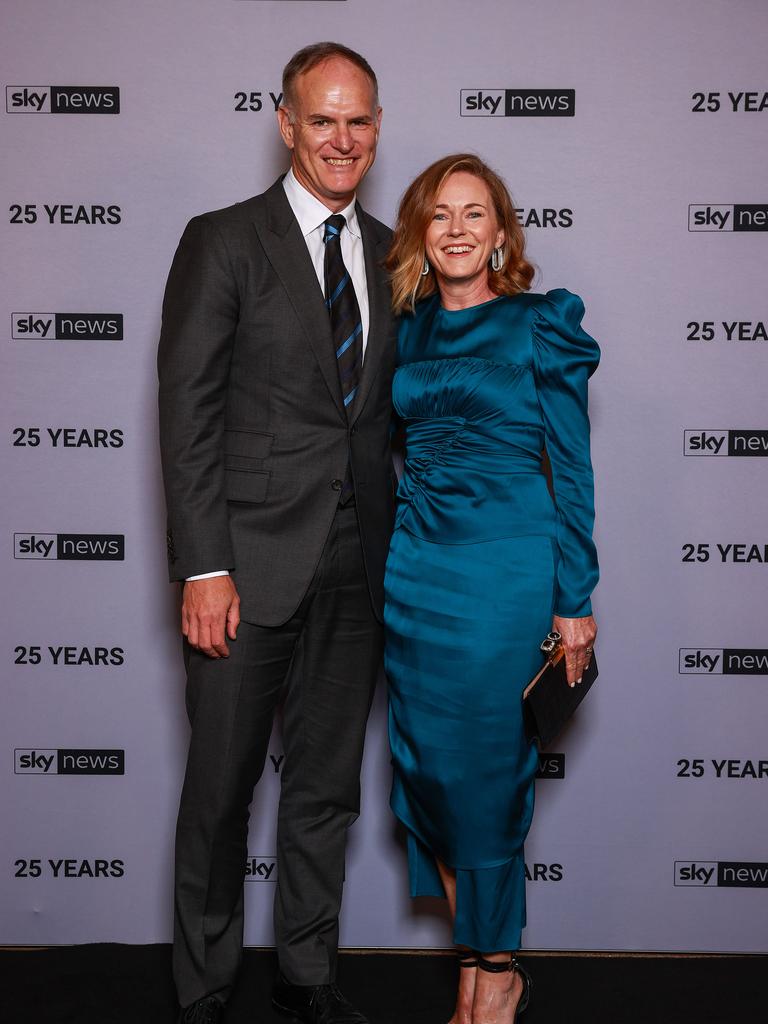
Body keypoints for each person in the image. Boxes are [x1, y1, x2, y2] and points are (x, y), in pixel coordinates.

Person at [157, 42, 396, 1024]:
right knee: (219, 791)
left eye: (361, 120)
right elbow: (188, 410)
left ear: (376, 127)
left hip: (357, 565)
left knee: (325, 792)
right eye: (324, 119)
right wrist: (204, 565)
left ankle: (307, 973)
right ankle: (206, 984)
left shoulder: (394, 249)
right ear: (287, 122)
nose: (344, 139)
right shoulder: (223, 240)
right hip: (246, 568)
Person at [383, 154, 599, 1024]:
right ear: (421, 236)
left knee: (485, 778)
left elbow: (574, 474)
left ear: (502, 233)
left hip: (505, 573)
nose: (459, 229)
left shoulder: (538, 325)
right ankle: (475, 963)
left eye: (476, 214)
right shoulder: (406, 330)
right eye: (440, 215)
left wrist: (574, 600)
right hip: (415, 575)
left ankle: (499, 971)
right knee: (430, 777)